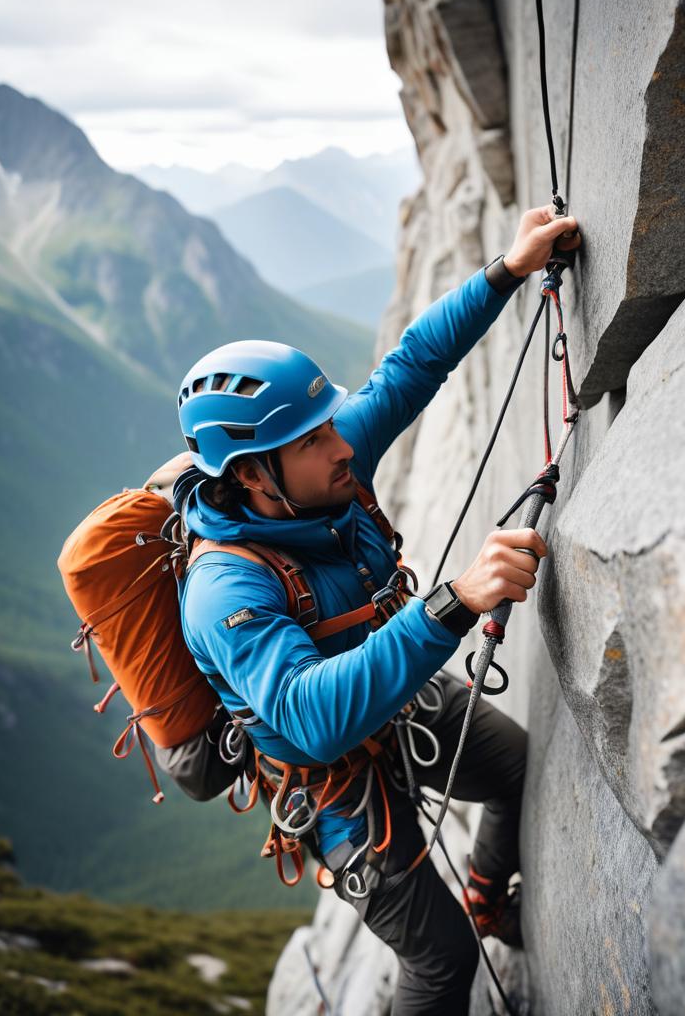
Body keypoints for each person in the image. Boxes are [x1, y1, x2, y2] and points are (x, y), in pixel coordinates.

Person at [176, 205, 580, 1015]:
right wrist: (454, 603)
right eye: (314, 441)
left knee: (513, 768)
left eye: (330, 426)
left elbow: (411, 365)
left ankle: (487, 894)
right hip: (329, 782)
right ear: (254, 474)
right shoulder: (227, 588)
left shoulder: (315, 461)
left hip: (392, 700)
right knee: (439, 960)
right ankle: (471, 922)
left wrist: (508, 266)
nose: (343, 447)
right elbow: (312, 717)